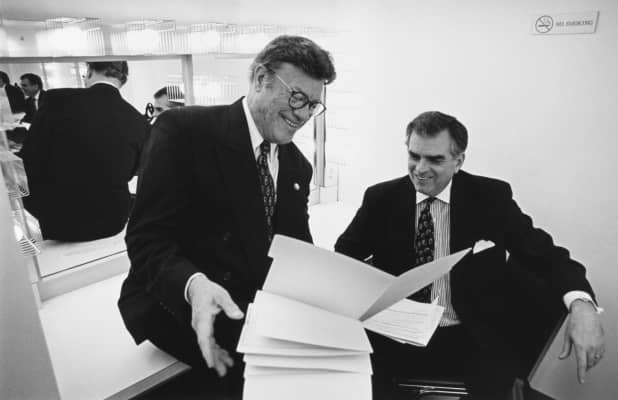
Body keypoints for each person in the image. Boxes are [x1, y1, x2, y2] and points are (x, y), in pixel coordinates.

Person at [118, 35, 336, 395]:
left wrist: (331, 288)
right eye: (297, 97)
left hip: (249, 304)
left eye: (312, 105)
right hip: (177, 299)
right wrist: (192, 284)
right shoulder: (184, 131)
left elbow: (294, 247)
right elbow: (147, 239)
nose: (302, 115)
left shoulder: (297, 166)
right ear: (261, 79)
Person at [334, 111, 605, 399]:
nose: (420, 169)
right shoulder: (380, 199)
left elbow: (547, 257)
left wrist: (583, 306)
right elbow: (343, 259)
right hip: (393, 337)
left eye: (435, 160)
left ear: (459, 161)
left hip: (469, 337)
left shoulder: (491, 198)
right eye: (414, 156)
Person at [19, 61, 148, 241]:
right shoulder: (138, 120)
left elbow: (29, 156)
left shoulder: (58, 100)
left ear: (89, 71)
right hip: (112, 220)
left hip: (57, 218)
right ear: (123, 79)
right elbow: (132, 171)